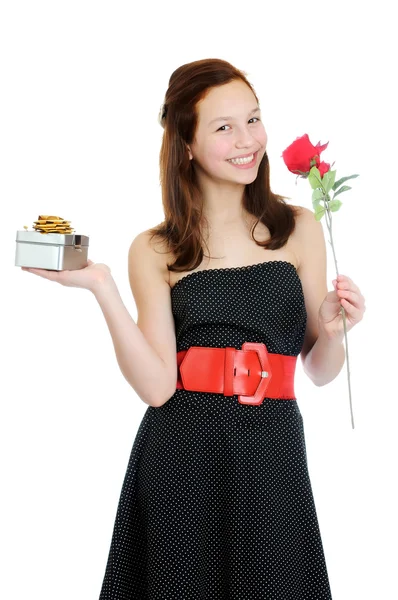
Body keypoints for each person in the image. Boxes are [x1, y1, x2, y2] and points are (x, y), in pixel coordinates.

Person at [21, 58, 366, 599]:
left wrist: (334, 331)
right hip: (182, 455)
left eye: (253, 119)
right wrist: (103, 287)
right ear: (186, 143)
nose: (247, 140)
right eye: (224, 127)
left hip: (271, 454)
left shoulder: (297, 228)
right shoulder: (155, 249)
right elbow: (158, 387)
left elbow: (319, 372)